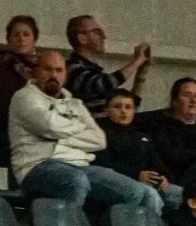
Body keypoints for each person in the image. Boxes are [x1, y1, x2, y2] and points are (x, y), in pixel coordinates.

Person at [11, 50, 160, 213]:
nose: (54, 75)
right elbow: (50, 127)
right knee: (76, 181)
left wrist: (58, 136)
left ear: (65, 75)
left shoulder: (75, 104)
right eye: (48, 69)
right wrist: (78, 128)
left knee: (136, 192)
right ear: (35, 72)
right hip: (37, 165)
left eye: (59, 70)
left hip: (80, 165)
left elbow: (99, 140)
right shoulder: (25, 97)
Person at [97, 88, 177, 203]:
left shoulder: (141, 136)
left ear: (134, 111)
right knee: (150, 194)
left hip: (150, 182)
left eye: (128, 107)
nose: (123, 111)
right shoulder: (100, 134)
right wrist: (137, 175)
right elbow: (104, 164)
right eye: (117, 107)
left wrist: (162, 176)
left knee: (182, 194)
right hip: (121, 182)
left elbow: (156, 162)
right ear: (107, 111)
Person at [64, 14, 150, 118]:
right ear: (82, 38)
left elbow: (129, 107)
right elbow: (103, 84)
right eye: (98, 32)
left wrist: (141, 72)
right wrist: (137, 61)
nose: (104, 36)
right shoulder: (71, 67)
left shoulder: (95, 71)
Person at [0, 13, 39, 121]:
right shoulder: (3, 69)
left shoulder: (44, 66)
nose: (21, 39)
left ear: (34, 40)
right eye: (16, 35)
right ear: (8, 40)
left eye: (26, 34)